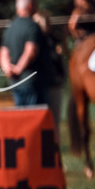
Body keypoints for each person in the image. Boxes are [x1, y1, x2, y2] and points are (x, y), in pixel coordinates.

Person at [0, 0, 49, 107]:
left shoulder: (10, 27)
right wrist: (19, 68)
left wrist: (8, 70)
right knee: (35, 119)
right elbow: (30, 51)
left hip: (15, 82)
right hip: (31, 81)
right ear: (31, 5)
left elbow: (3, 53)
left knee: (21, 119)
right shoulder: (33, 26)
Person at [33, 9, 66, 137]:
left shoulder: (51, 41)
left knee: (54, 121)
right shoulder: (36, 42)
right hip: (42, 86)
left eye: (46, 22)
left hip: (53, 85)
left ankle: (54, 151)